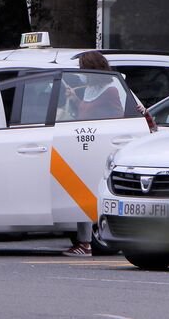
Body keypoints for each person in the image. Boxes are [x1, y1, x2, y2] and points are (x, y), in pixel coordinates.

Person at [62, 51, 119, 257]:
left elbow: (116, 116)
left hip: (99, 146)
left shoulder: (110, 89)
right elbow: (86, 112)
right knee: (82, 192)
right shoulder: (90, 89)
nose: (81, 73)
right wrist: (75, 100)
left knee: (89, 193)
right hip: (85, 144)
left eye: (84, 68)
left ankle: (86, 242)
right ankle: (84, 242)